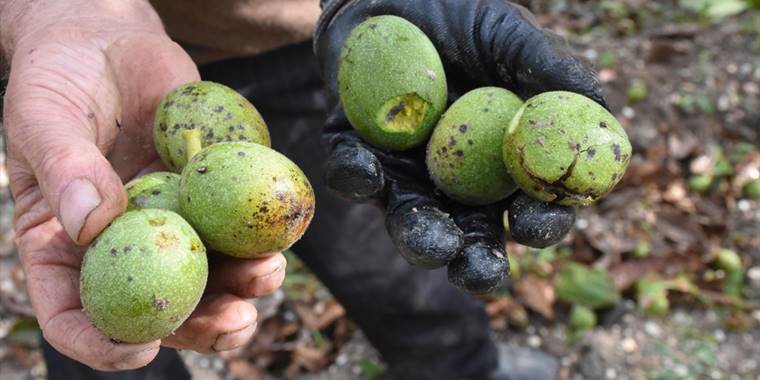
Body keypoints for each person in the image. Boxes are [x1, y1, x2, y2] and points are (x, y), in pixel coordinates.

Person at [0, 1, 607, 379]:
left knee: (386, 244)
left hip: (311, 38)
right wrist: (50, 12)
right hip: (104, 82)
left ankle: (468, 368)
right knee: (98, 330)